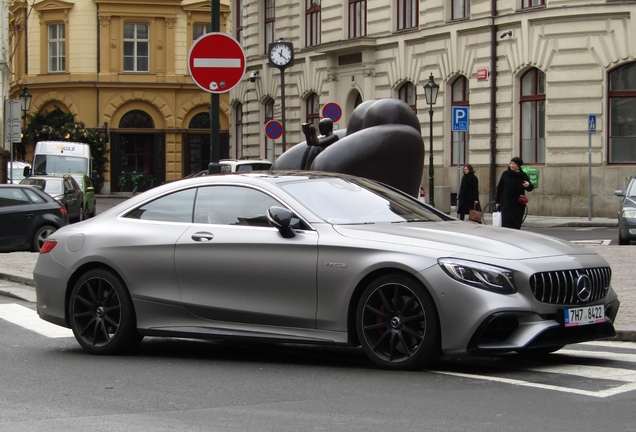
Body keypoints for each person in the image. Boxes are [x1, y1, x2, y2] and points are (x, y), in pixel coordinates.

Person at [495, 157, 534, 229]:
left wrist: (528, 185)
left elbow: (530, 188)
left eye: (514, 164)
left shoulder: (522, 175)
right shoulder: (505, 174)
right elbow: (499, 188)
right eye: (511, 163)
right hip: (506, 203)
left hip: (518, 204)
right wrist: (497, 201)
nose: (512, 165)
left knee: (516, 224)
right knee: (506, 223)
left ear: (518, 165)